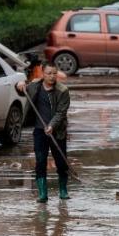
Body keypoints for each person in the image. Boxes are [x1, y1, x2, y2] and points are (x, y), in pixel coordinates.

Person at [16, 63, 71, 202]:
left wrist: (52, 125)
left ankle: (63, 190)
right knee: (40, 161)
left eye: (54, 73)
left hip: (57, 132)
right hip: (40, 131)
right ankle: (42, 193)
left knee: (61, 161)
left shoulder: (63, 91)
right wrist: (20, 84)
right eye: (48, 73)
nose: (51, 76)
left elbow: (61, 113)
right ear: (42, 73)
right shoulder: (35, 86)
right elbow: (21, 90)